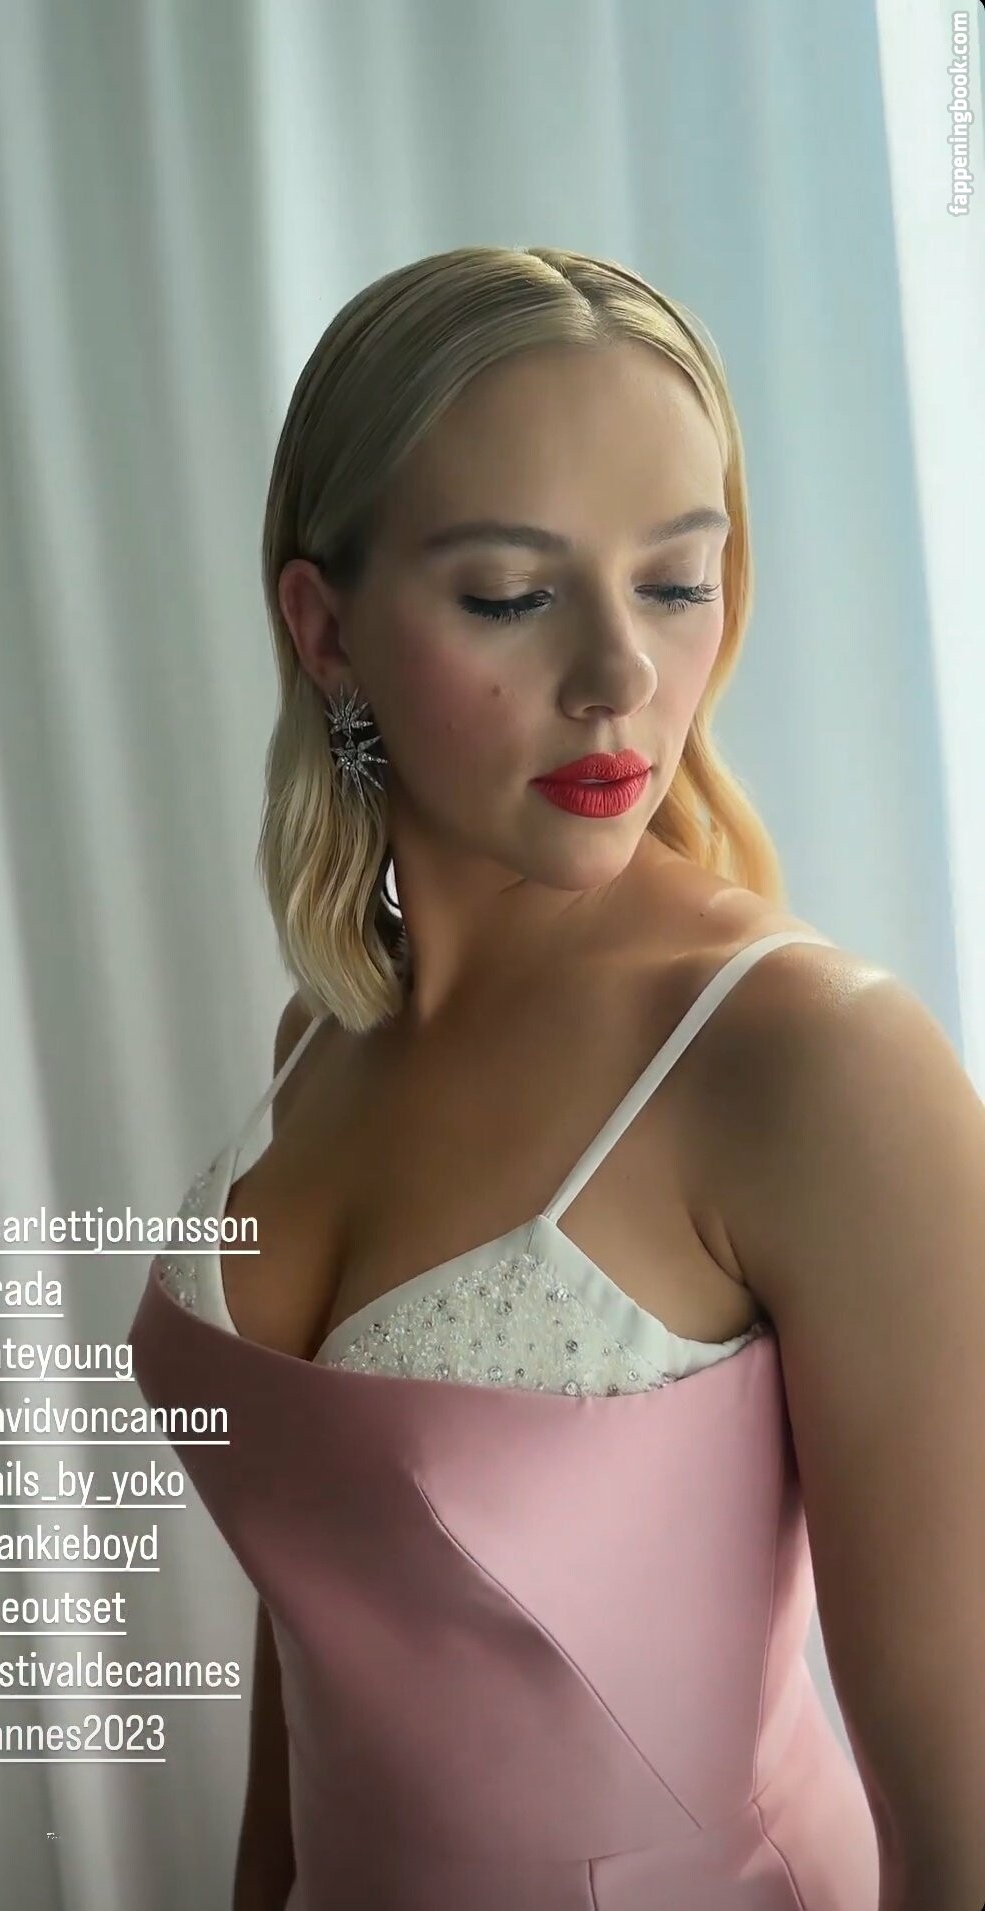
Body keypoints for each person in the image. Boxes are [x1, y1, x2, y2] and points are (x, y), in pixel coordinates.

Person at [128, 245, 985, 1910]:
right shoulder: (323, 1033)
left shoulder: (815, 1071)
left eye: (676, 581)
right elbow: (317, 1615)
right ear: (326, 632)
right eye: (514, 596)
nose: (619, 678)